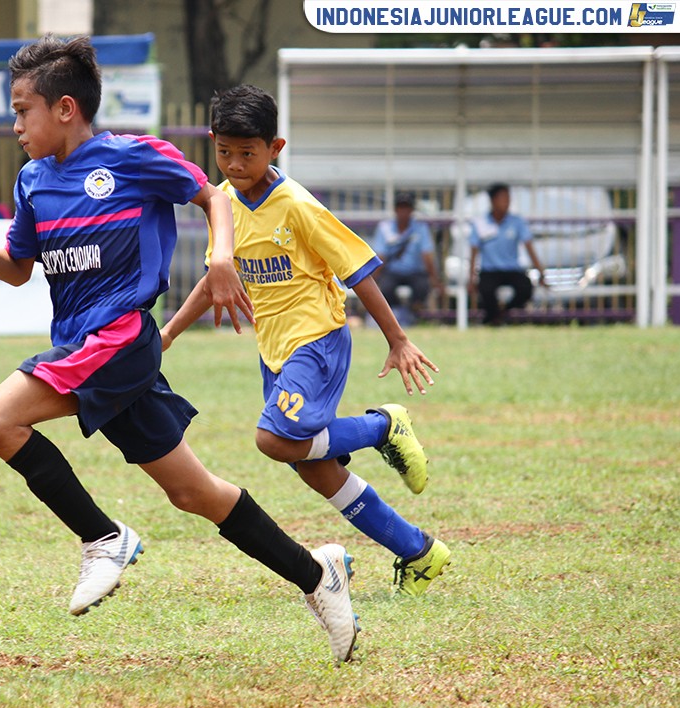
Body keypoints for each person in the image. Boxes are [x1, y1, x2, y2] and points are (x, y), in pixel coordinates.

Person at [0, 36, 359, 664]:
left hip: (119, 339)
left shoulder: (132, 158)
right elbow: (17, 268)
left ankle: (103, 538)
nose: (15, 126)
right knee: (196, 494)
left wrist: (222, 257)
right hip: (85, 347)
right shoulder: (33, 180)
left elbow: (213, 196)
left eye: (22, 111)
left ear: (66, 108)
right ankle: (318, 576)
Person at [161, 84, 451, 599]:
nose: (233, 163)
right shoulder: (222, 204)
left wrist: (397, 339)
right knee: (314, 469)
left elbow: (357, 269)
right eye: (224, 151)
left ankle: (381, 427)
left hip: (317, 340)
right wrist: (168, 335)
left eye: (247, 153)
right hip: (275, 351)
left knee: (273, 440)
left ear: (276, 148)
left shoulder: (296, 205)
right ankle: (418, 551)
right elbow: (214, 281)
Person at [467, 183, 549, 326]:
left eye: (508, 198)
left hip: (512, 269)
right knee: (486, 289)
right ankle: (496, 318)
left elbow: (530, 249)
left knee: (526, 288)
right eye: (503, 198)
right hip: (489, 270)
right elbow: (473, 252)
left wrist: (541, 273)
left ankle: (498, 315)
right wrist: (471, 278)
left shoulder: (516, 222)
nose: (507, 202)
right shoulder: (480, 223)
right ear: (492, 201)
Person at [370, 191, 443, 324]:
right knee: (385, 288)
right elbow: (381, 257)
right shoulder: (385, 228)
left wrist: (434, 279)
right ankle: (401, 313)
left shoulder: (420, 228)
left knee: (422, 286)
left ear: (412, 210)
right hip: (392, 271)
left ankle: (411, 313)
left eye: (406, 208)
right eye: (400, 208)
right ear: (395, 210)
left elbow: (427, 256)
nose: (403, 212)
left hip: (415, 272)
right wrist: (372, 279)